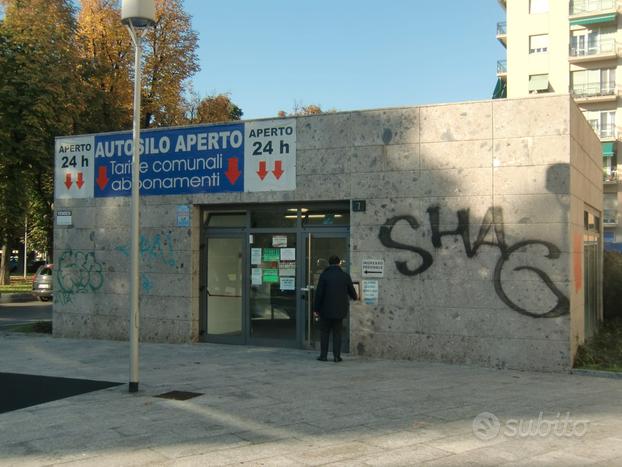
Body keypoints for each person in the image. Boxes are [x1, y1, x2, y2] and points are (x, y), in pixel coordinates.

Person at [313, 255, 357, 362]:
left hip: (325, 310)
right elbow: (353, 293)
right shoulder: (345, 276)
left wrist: (316, 309)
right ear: (338, 263)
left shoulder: (324, 275)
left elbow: (319, 294)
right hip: (340, 310)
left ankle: (323, 356)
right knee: (337, 333)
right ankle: (337, 357)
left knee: (325, 333)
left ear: (329, 263)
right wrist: (354, 297)